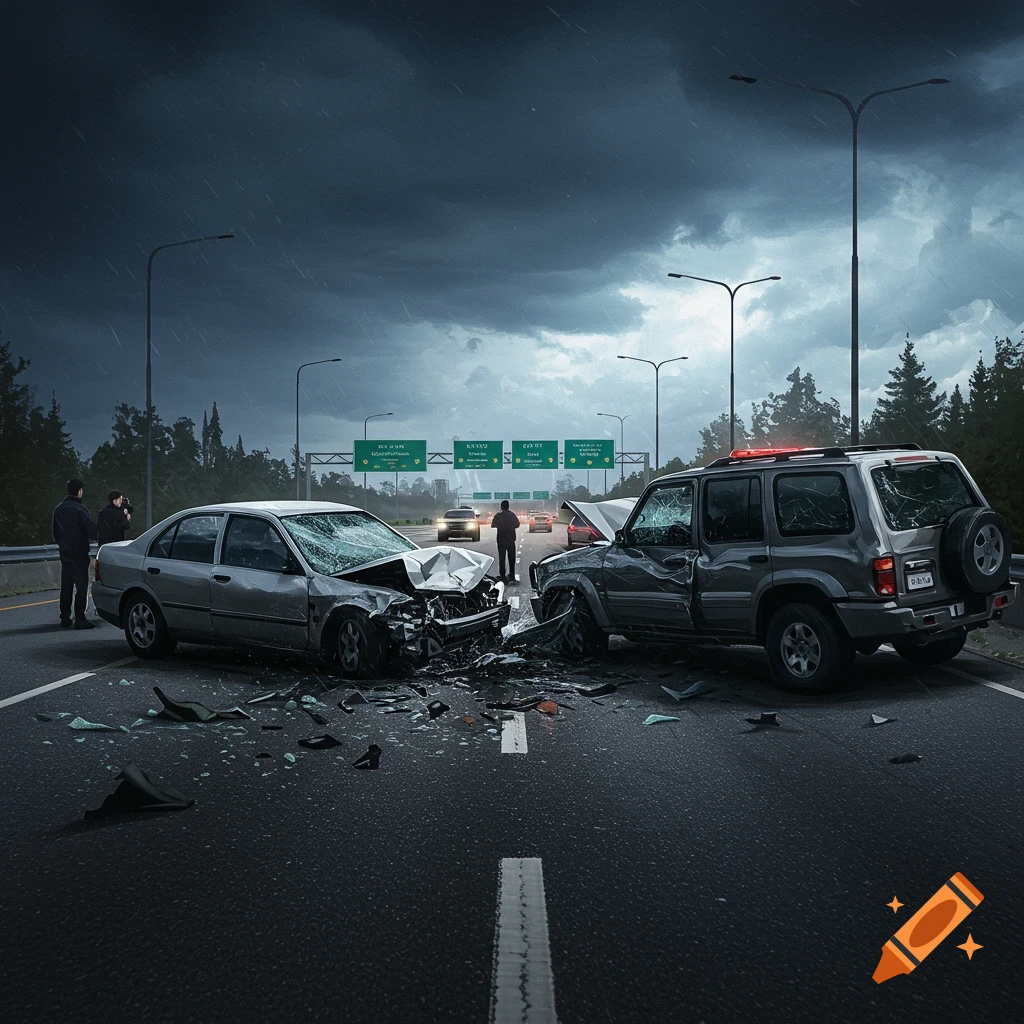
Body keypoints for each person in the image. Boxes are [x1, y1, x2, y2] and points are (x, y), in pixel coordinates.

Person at [51, 478, 98, 629]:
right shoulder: (80, 509)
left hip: (65, 552)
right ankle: (80, 618)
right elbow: (92, 531)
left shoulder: (59, 509)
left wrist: (63, 544)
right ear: (79, 491)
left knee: (66, 585)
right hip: (80, 552)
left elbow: (55, 533)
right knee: (82, 585)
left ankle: (65, 617)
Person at [490, 499, 520, 583]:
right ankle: (512, 575)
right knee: (511, 558)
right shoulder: (512, 515)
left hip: (501, 540)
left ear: (501, 506)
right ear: (508, 506)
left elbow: (493, 525)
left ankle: (502, 576)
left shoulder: (498, 515)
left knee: (502, 558)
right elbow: (517, 525)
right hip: (511, 539)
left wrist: (501, 525)